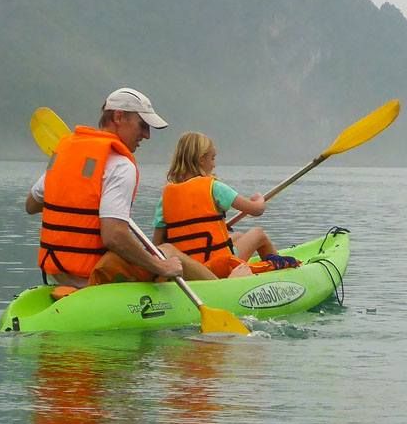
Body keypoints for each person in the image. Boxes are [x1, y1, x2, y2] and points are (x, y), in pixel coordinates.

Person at [24, 87, 205, 288]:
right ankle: (226, 289)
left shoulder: (66, 156)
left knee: (156, 254)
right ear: (119, 116)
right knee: (168, 252)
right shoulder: (120, 165)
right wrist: (162, 267)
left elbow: (31, 205)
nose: (147, 135)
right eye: (143, 125)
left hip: (55, 275)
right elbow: (114, 237)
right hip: (94, 278)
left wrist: (75, 194)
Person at [153, 131, 292, 279]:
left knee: (237, 236)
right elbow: (256, 210)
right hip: (217, 267)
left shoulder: (166, 197)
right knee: (259, 234)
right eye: (212, 158)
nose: (214, 164)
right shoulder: (214, 187)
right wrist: (259, 200)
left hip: (187, 269)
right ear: (201, 159)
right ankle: (280, 275)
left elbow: (157, 242)